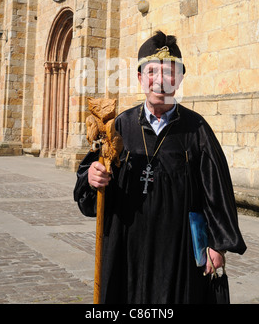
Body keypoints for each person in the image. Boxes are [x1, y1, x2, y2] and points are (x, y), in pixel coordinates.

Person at [74, 30, 246, 304]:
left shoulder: (197, 130)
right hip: (126, 249)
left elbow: (217, 192)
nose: (159, 81)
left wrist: (217, 243)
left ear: (177, 80)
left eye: (168, 73)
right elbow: (88, 191)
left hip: (177, 254)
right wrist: (92, 178)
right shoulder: (117, 127)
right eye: (151, 72)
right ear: (141, 78)